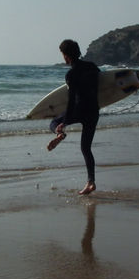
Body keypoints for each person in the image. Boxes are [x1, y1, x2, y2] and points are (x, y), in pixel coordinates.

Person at [47, 39, 100, 195]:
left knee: (54, 122)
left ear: (66, 56)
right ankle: (91, 182)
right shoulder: (93, 67)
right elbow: (104, 87)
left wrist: (64, 122)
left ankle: (60, 134)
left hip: (79, 110)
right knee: (86, 148)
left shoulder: (71, 74)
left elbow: (71, 100)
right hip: (93, 111)